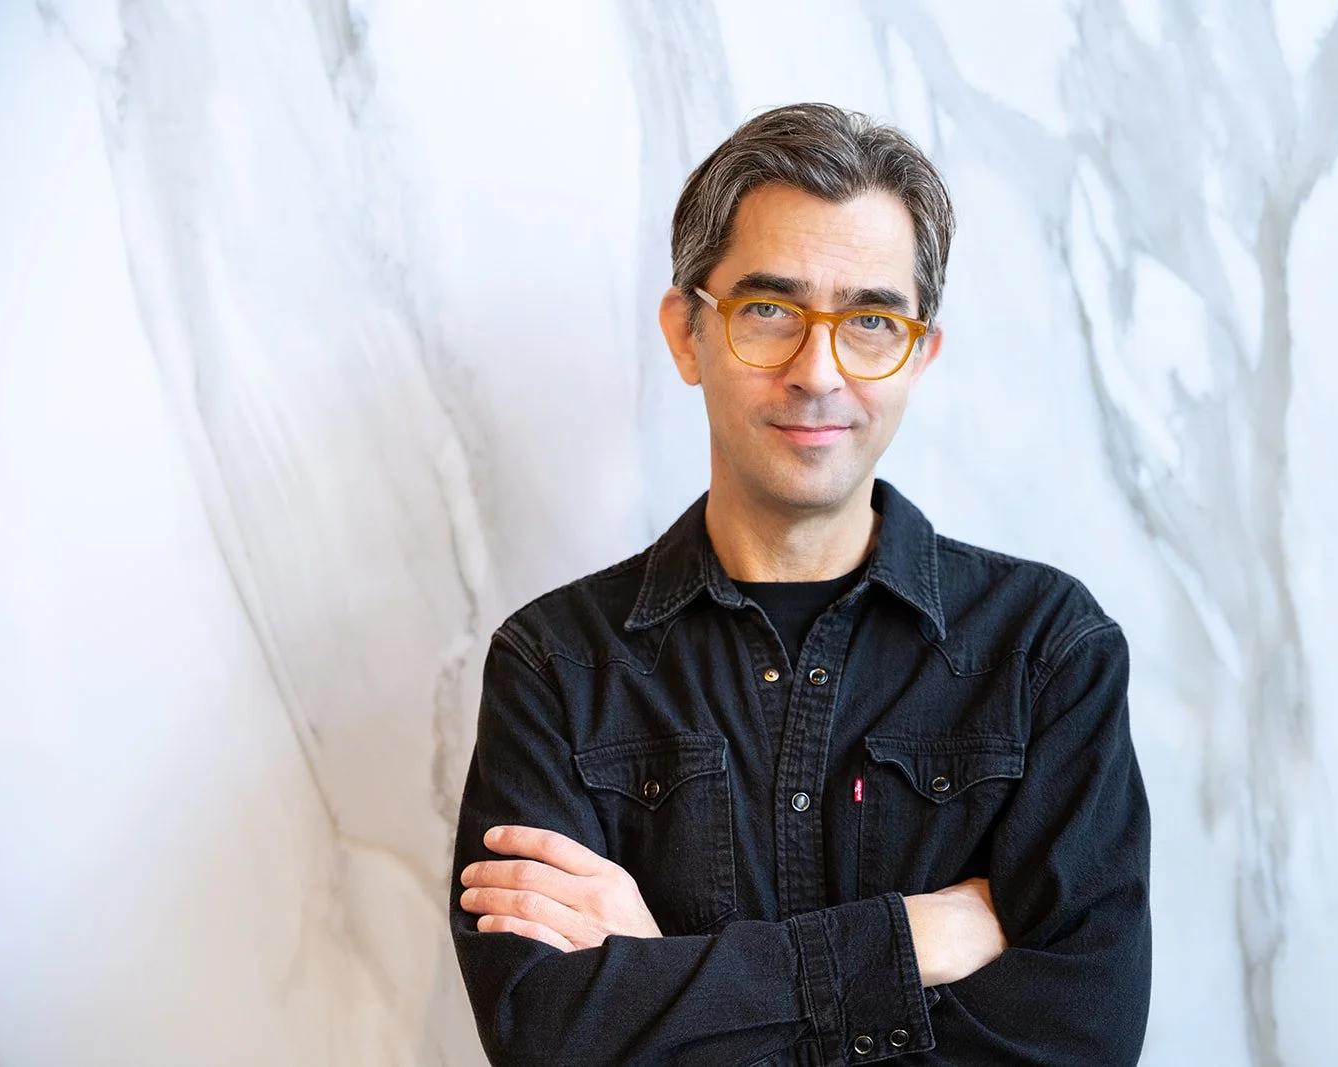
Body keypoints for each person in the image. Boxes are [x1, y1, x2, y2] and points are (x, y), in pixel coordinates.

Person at [448, 102, 1151, 1066]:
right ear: (687, 333)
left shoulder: (1048, 651)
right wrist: (912, 940)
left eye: (872, 321)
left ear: (919, 354)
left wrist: (667, 982)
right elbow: (546, 1034)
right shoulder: (556, 667)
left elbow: (1080, 1039)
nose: (818, 371)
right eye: (769, 311)